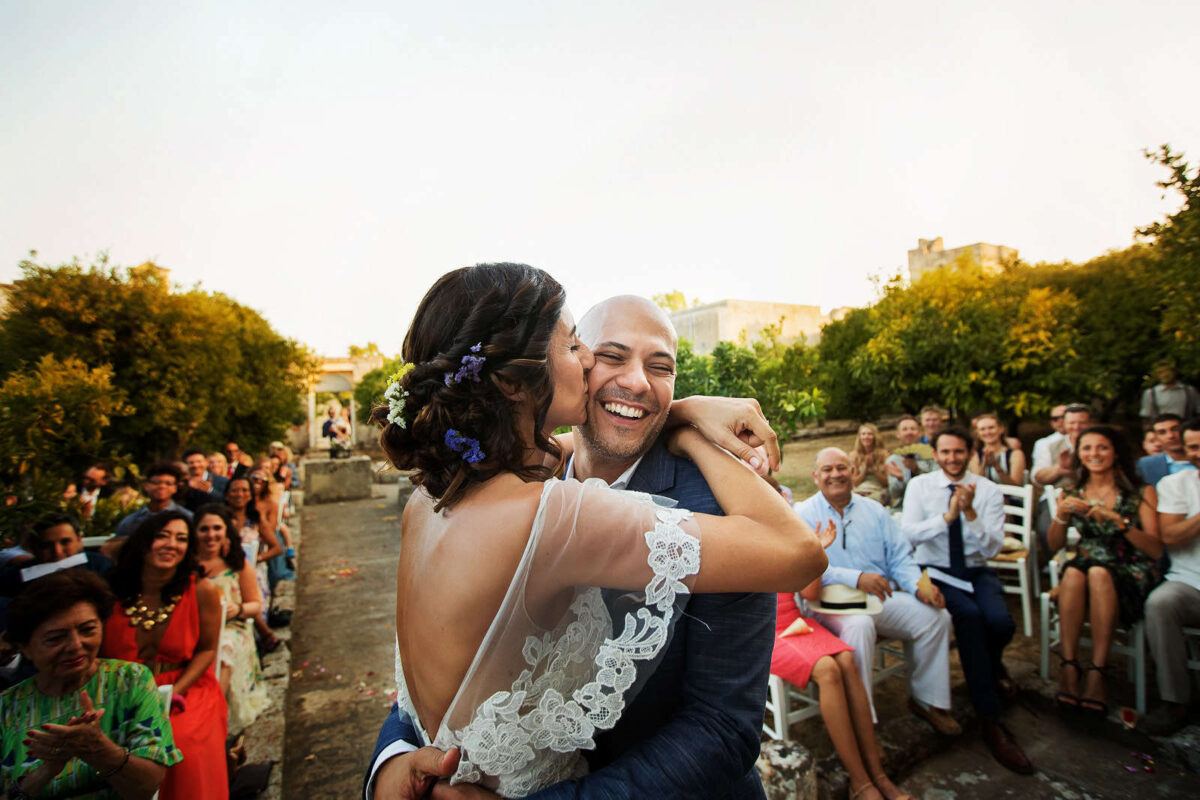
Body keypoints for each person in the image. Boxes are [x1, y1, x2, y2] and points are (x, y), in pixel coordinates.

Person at [364, 266, 825, 798]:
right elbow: (430, 688)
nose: (632, 380)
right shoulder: (541, 502)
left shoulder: (436, 494)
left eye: (662, 368)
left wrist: (681, 422)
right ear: (521, 380)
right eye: (594, 351)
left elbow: (722, 729)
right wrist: (392, 762)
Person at [798, 448, 957, 734]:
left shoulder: (874, 509)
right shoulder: (802, 514)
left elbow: (900, 556)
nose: (836, 475)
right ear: (815, 476)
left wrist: (919, 588)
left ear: (854, 472)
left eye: (842, 468)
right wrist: (855, 578)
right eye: (827, 469)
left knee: (936, 617)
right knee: (859, 626)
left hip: (876, 598)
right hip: (827, 604)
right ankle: (863, 721)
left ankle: (927, 700)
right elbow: (804, 567)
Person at [901, 428, 1032, 774]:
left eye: (959, 452)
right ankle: (990, 719)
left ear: (970, 452)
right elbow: (909, 534)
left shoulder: (987, 490)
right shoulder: (920, 486)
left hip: (976, 569)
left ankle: (993, 663)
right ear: (937, 454)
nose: (952, 459)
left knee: (1002, 623)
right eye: (945, 452)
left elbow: (991, 548)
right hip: (938, 571)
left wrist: (970, 512)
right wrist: (947, 517)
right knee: (971, 620)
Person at [1, 569, 182, 798]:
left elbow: (147, 787)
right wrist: (46, 771)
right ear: (25, 648)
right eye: (56, 638)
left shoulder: (129, 680)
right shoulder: (6, 709)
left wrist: (100, 749)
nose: (76, 645)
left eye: (88, 630)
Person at [100, 510, 228, 800]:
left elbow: (207, 649)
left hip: (185, 686)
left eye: (181, 539)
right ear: (144, 542)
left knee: (182, 744)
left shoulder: (200, 590)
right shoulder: (110, 592)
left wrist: (170, 695)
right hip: (120, 690)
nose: (172, 544)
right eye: (163, 535)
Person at [1047, 426, 1162, 716]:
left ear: (1116, 452)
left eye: (1102, 448)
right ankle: (1070, 666)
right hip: (1084, 566)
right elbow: (1055, 545)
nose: (1093, 454)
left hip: (1129, 567)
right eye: (1086, 448)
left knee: (1097, 573)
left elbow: (1155, 550)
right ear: (1079, 454)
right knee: (1074, 572)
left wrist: (1119, 522)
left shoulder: (1140, 492)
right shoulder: (1072, 491)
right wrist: (1061, 515)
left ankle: (1098, 671)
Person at [772, 579, 916, 800]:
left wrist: (816, 549)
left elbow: (810, 593)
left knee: (847, 661)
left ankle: (879, 777)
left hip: (794, 620)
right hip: (764, 630)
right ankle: (860, 783)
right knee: (828, 669)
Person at [1142, 417, 1200, 734]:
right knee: (1160, 603)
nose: (1198, 453)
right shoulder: (1176, 484)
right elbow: (1172, 536)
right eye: (1193, 447)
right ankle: (1175, 701)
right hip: (1189, 583)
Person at [195, 504, 269, 734]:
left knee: (224, 647)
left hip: (232, 628)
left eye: (217, 528)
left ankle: (213, 714)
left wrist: (237, 609)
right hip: (196, 630)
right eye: (203, 529)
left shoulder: (237, 564)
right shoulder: (187, 566)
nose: (211, 535)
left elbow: (255, 604)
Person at [224, 477, 283, 654]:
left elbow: (276, 547)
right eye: (235, 490)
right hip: (229, 575)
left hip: (253, 573)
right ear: (227, 495)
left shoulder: (255, 519)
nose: (239, 495)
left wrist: (257, 558)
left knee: (255, 609)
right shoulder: (222, 520)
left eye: (244, 490)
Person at [0, 513, 112, 597]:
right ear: (34, 548)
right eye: (46, 545)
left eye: (65, 542)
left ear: (79, 540)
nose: (57, 551)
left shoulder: (102, 566)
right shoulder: (16, 578)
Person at [1032, 404, 1092, 546]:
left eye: (1082, 423)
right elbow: (1037, 479)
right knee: (1045, 529)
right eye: (1072, 423)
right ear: (1064, 424)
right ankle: (1056, 563)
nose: (1076, 427)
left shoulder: (1097, 444)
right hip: (1058, 498)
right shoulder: (1049, 444)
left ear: (1090, 423)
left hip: (1092, 497)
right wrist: (1060, 470)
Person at [109, 464, 194, 541]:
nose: (162, 486)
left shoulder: (188, 518)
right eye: (156, 482)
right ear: (146, 486)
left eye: (168, 483)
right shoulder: (131, 522)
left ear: (175, 488)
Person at [885, 415, 933, 508]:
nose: (909, 432)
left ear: (919, 433)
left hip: (930, 503)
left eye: (912, 429)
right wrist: (900, 480)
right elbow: (895, 494)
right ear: (898, 434)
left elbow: (935, 484)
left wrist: (916, 470)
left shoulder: (931, 456)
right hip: (904, 506)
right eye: (905, 429)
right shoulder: (893, 461)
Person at [1137, 413, 1197, 487]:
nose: (1170, 436)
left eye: (1175, 429)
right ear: (1156, 437)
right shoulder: (1145, 465)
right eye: (1162, 432)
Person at [968, 412, 1026, 486]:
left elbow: (1016, 486)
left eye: (991, 428)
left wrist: (997, 466)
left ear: (1001, 429)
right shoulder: (974, 456)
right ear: (977, 433)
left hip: (1008, 496)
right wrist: (983, 465)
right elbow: (976, 486)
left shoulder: (1015, 454)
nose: (987, 432)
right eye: (982, 429)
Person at [1139, 361, 1200, 427]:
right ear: (1157, 375)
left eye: (1168, 371)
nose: (1165, 375)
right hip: (1162, 431)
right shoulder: (1150, 393)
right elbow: (1147, 417)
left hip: (1185, 429)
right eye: (1160, 372)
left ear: (1175, 372)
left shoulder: (1189, 391)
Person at [850, 423, 891, 505]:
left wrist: (874, 469)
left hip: (878, 489)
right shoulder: (854, 455)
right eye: (863, 434)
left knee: (869, 503)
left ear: (875, 437)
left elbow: (887, 483)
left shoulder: (884, 455)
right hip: (860, 489)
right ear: (860, 437)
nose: (866, 437)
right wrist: (864, 469)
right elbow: (854, 483)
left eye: (869, 434)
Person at [1030, 404, 1068, 480]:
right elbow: (1036, 477)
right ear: (1051, 422)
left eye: (1063, 417)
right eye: (1055, 418)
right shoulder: (1043, 443)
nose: (1060, 421)